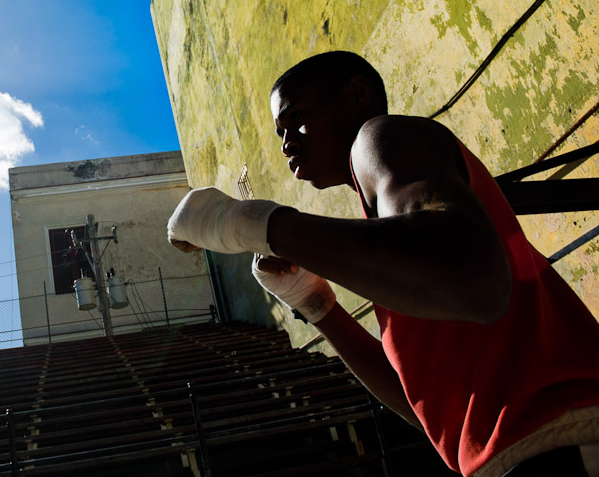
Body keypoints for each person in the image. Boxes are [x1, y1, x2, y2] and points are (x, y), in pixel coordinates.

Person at [167, 51, 599, 477]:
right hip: (525, 451)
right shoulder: (394, 245)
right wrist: (316, 304)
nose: (286, 143)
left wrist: (253, 224)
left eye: (296, 118)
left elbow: (473, 279)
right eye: (280, 133)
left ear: (356, 94)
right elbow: (427, 410)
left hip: (559, 436)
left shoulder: (377, 138)